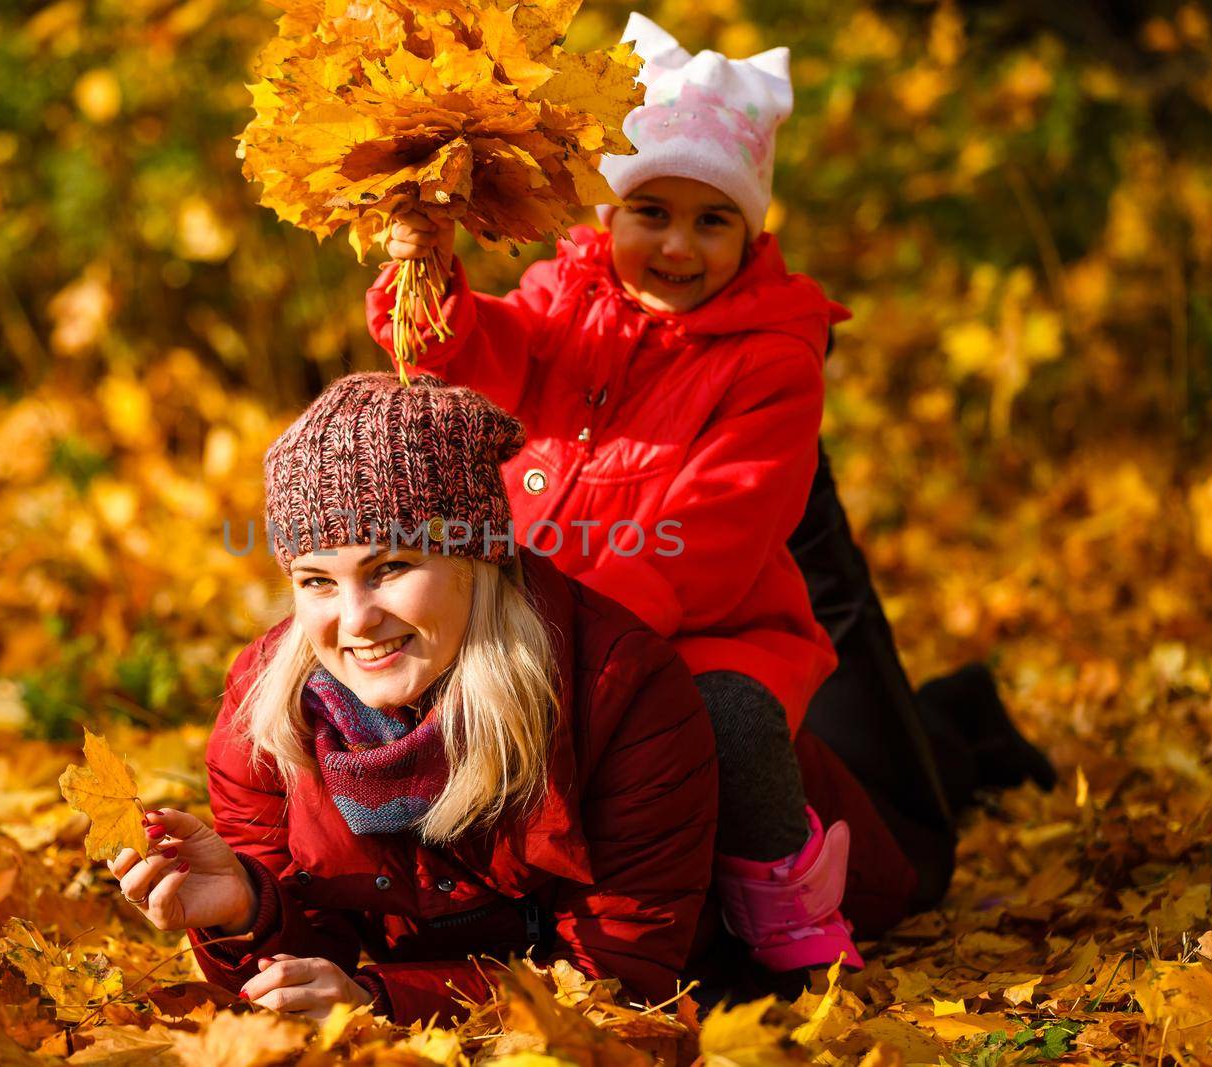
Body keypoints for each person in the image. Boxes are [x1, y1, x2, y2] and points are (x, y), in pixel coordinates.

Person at [375, 14, 864, 973]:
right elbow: (474, 359)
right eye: (653, 212)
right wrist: (422, 274)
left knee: (729, 715)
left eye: (712, 219)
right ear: (612, 215)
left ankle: (783, 897)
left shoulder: (773, 355)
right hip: (539, 612)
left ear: (749, 227)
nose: (677, 245)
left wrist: (585, 627)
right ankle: (470, 895)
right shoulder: (566, 295)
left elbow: (722, 522)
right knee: (435, 693)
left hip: (703, 622)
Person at [107, 372, 719, 1025]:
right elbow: (312, 977)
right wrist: (247, 910)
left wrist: (385, 1002)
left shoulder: (619, 690)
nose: (355, 620)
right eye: (316, 580)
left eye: (390, 568)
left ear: (478, 555)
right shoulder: (265, 709)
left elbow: (618, 981)